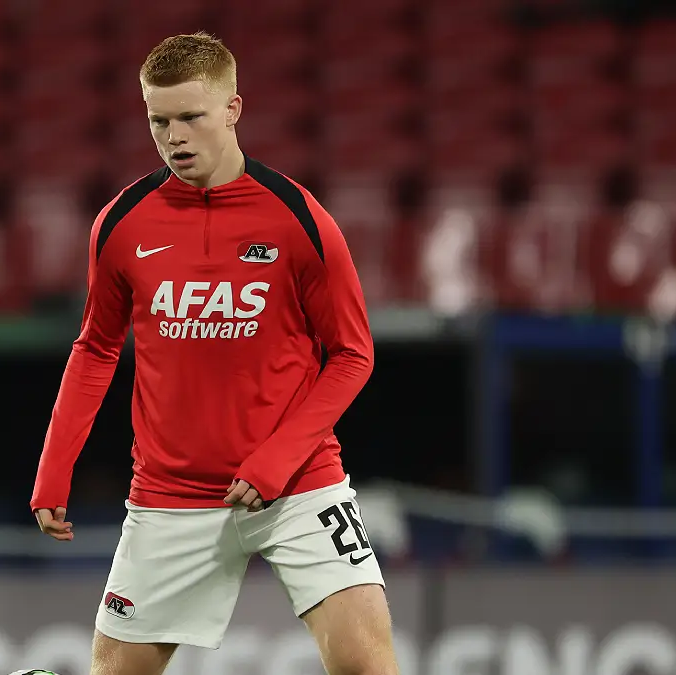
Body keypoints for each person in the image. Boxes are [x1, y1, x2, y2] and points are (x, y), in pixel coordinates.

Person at [31, 33, 400, 675]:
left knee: (367, 667)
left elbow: (352, 354)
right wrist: (54, 468)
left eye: (191, 117)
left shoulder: (299, 219)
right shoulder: (121, 223)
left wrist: (277, 460)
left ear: (233, 109)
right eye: (159, 121)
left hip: (299, 486)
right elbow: (95, 349)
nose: (174, 137)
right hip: (169, 493)